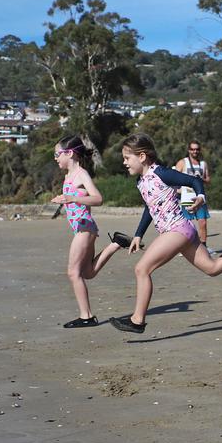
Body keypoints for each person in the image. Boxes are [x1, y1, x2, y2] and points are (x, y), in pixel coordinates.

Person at [110, 133, 222, 334]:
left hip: (176, 230)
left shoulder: (161, 173)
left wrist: (201, 197)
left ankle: (137, 320)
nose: (124, 163)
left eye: (126, 158)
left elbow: (194, 181)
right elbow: (150, 208)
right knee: (213, 267)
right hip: (183, 232)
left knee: (142, 269)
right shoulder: (141, 182)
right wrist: (139, 234)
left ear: (141, 156)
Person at [51, 135, 127, 329]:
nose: (55, 158)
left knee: (73, 273)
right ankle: (116, 244)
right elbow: (76, 196)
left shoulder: (81, 174)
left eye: (57, 154)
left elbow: (98, 199)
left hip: (84, 229)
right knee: (88, 272)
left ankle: (86, 316)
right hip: (83, 228)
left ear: (70, 153)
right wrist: (65, 198)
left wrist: (72, 199)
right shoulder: (68, 176)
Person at [175, 141, 213, 253]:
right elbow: (174, 177)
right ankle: (185, 248)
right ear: (189, 150)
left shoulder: (203, 164)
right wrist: (177, 190)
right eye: (192, 149)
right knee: (187, 225)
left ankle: (204, 247)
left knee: (203, 223)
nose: (195, 151)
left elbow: (208, 179)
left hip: (200, 198)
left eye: (197, 149)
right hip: (187, 198)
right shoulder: (183, 162)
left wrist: (202, 180)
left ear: (199, 150)